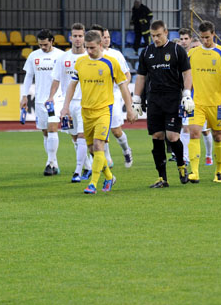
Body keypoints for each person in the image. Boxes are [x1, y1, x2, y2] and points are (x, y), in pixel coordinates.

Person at [61, 30, 137, 194]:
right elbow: (72, 85)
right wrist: (65, 106)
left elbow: (124, 86)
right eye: (87, 48)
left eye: (92, 48)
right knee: (91, 150)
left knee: (98, 145)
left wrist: (129, 108)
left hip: (104, 111)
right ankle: (109, 177)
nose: (89, 51)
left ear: (100, 45)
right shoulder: (80, 62)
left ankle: (93, 183)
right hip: (86, 111)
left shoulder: (111, 62)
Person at [132, 20, 192, 188]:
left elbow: (187, 73)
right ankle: (162, 178)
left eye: (158, 35)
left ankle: (181, 165)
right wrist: (136, 98)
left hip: (173, 98)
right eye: (153, 36)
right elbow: (141, 77)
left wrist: (186, 94)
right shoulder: (146, 52)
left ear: (166, 32)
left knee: (172, 137)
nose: (155, 39)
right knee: (157, 137)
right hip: (154, 100)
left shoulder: (176, 50)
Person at [186, 21, 221, 183]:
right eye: (202, 37)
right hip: (197, 103)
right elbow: (188, 75)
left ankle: (218, 172)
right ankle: (194, 172)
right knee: (194, 133)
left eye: (207, 37)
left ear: (213, 34)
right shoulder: (192, 53)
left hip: (217, 103)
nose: (205, 40)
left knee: (218, 136)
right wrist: (185, 95)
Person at [48, 23, 93, 182]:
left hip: (85, 102)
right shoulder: (63, 58)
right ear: (70, 37)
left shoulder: (89, 57)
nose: (78, 39)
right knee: (75, 138)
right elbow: (56, 79)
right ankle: (89, 167)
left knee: (82, 136)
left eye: (81, 36)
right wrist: (51, 96)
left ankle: (77, 171)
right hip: (68, 104)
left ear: (85, 37)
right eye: (75, 36)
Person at [21, 29, 65, 176]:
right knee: (45, 132)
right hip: (39, 100)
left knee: (53, 128)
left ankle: (50, 163)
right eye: (40, 45)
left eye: (45, 44)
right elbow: (28, 77)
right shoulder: (34, 56)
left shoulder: (61, 55)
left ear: (52, 41)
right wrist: (24, 96)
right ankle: (54, 163)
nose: (43, 47)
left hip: (56, 99)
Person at [175, 28, 213, 165]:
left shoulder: (198, 55)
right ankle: (185, 157)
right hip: (186, 96)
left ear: (191, 40)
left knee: (205, 131)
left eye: (186, 39)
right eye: (182, 39)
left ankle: (209, 155)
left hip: (201, 97)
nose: (184, 42)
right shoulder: (179, 56)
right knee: (186, 127)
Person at [98, 26, 134, 168]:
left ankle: (126, 149)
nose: (107, 39)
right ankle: (107, 159)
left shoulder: (116, 55)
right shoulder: (92, 55)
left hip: (114, 94)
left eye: (108, 37)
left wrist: (122, 86)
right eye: (104, 37)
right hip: (99, 95)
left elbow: (127, 74)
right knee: (102, 129)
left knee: (115, 130)